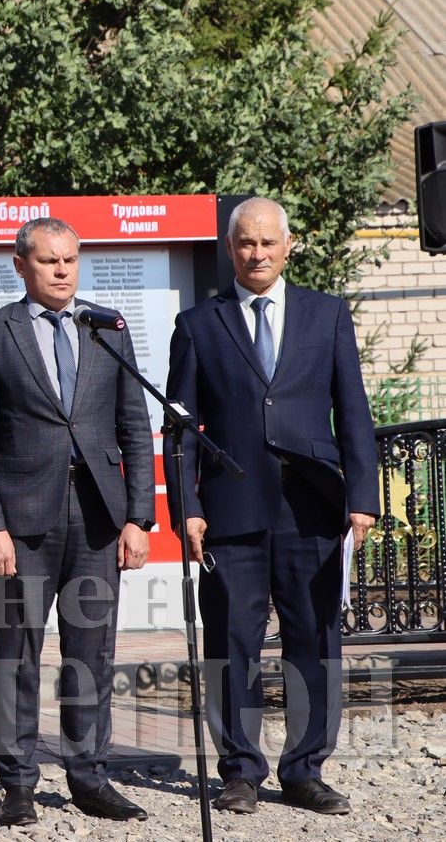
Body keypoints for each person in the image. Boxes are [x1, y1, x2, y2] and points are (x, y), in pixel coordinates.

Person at [164, 196, 378, 816]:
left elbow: (355, 413)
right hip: (231, 507)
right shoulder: (199, 325)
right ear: (229, 250)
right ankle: (240, 771)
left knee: (314, 639)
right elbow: (180, 429)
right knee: (232, 640)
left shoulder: (327, 315)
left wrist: (362, 497)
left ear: (288, 246)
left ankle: (305, 770)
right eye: (244, 244)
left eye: (267, 243)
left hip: (313, 507)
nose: (256, 254)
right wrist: (188, 506)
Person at [0, 216, 155, 826]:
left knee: (91, 651)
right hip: (24, 521)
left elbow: (134, 428)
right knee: (18, 650)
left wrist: (139, 517)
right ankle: (16, 782)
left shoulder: (106, 327)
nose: (63, 270)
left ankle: (88, 776)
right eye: (50, 261)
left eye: (71, 259)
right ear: (22, 265)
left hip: (99, 514)